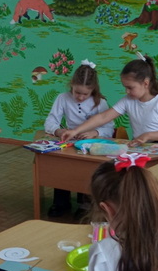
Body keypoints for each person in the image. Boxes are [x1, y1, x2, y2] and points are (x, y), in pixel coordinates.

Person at [60, 53, 158, 146]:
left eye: (130, 87)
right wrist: (75, 131)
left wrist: (148, 135)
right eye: (125, 87)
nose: (126, 91)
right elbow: (103, 117)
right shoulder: (128, 100)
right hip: (140, 147)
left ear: (145, 83)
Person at [44, 59, 113, 217]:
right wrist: (58, 131)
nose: (80, 97)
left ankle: (85, 205)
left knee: (88, 170)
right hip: (69, 143)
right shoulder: (63, 98)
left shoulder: (100, 102)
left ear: (93, 90)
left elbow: (109, 128)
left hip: (91, 146)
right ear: (72, 86)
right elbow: (50, 121)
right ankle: (61, 203)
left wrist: (95, 132)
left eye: (85, 94)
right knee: (62, 166)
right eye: (77, 92)